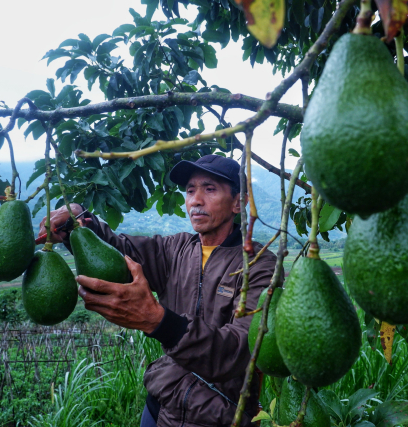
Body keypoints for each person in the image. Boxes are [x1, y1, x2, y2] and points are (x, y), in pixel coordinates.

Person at [39, 154, 277, 427]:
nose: (195, 200)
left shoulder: (260, 266)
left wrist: (160, 322)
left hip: (221, 417)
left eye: (209, 189)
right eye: (190, 190)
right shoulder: (175, 249)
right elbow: (119, 254)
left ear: (238, 202)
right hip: (160, 407)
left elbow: (241, 350)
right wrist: (79, 222)